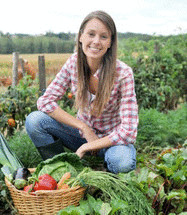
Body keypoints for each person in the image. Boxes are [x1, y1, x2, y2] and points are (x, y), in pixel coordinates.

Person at [25, 10, 138, 174]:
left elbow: (128, 132)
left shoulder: (123, 73)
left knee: (122, 162)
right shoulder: (73, 63)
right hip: (79, 136)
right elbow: (45, 101)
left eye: (104, 37)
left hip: (111, 142)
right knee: (35, 120)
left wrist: (89, 145)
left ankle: (106, 173)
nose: (96, 41)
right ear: (80, 37)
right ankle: (63, 170)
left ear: (110, 42)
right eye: (91, 34)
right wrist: (83, 127)